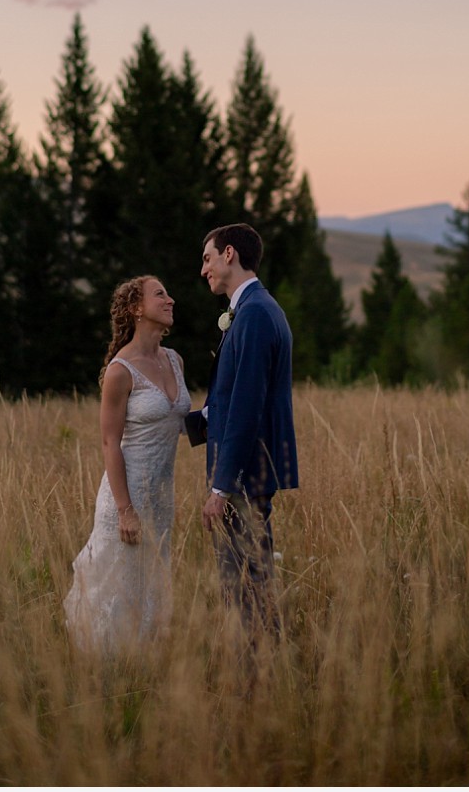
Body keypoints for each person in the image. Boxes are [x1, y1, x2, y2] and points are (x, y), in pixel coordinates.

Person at [64, 275, 191, 654]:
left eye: (168, 292)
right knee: (116, 589)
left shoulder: (175, 360)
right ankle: (106, 674)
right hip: (126, 499)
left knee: (151, 584)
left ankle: (146, 667)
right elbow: (109, 443)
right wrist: (125, 511)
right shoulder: (121, 371)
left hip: (161, 499)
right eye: (160, 294)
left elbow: (177, 422)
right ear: (136, 308)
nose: (170, 300)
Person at [191, 223, 298, 635]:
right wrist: (178, 423)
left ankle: (253, 677)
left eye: (208, 258)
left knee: (244, 584)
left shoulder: (253, 314)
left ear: (229, 254)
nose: (204, 270)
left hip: (244, 475)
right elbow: (229, 401)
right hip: (247, 471)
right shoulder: (256, 308)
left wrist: (221, 487)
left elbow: (247, 407)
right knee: (245, 580)